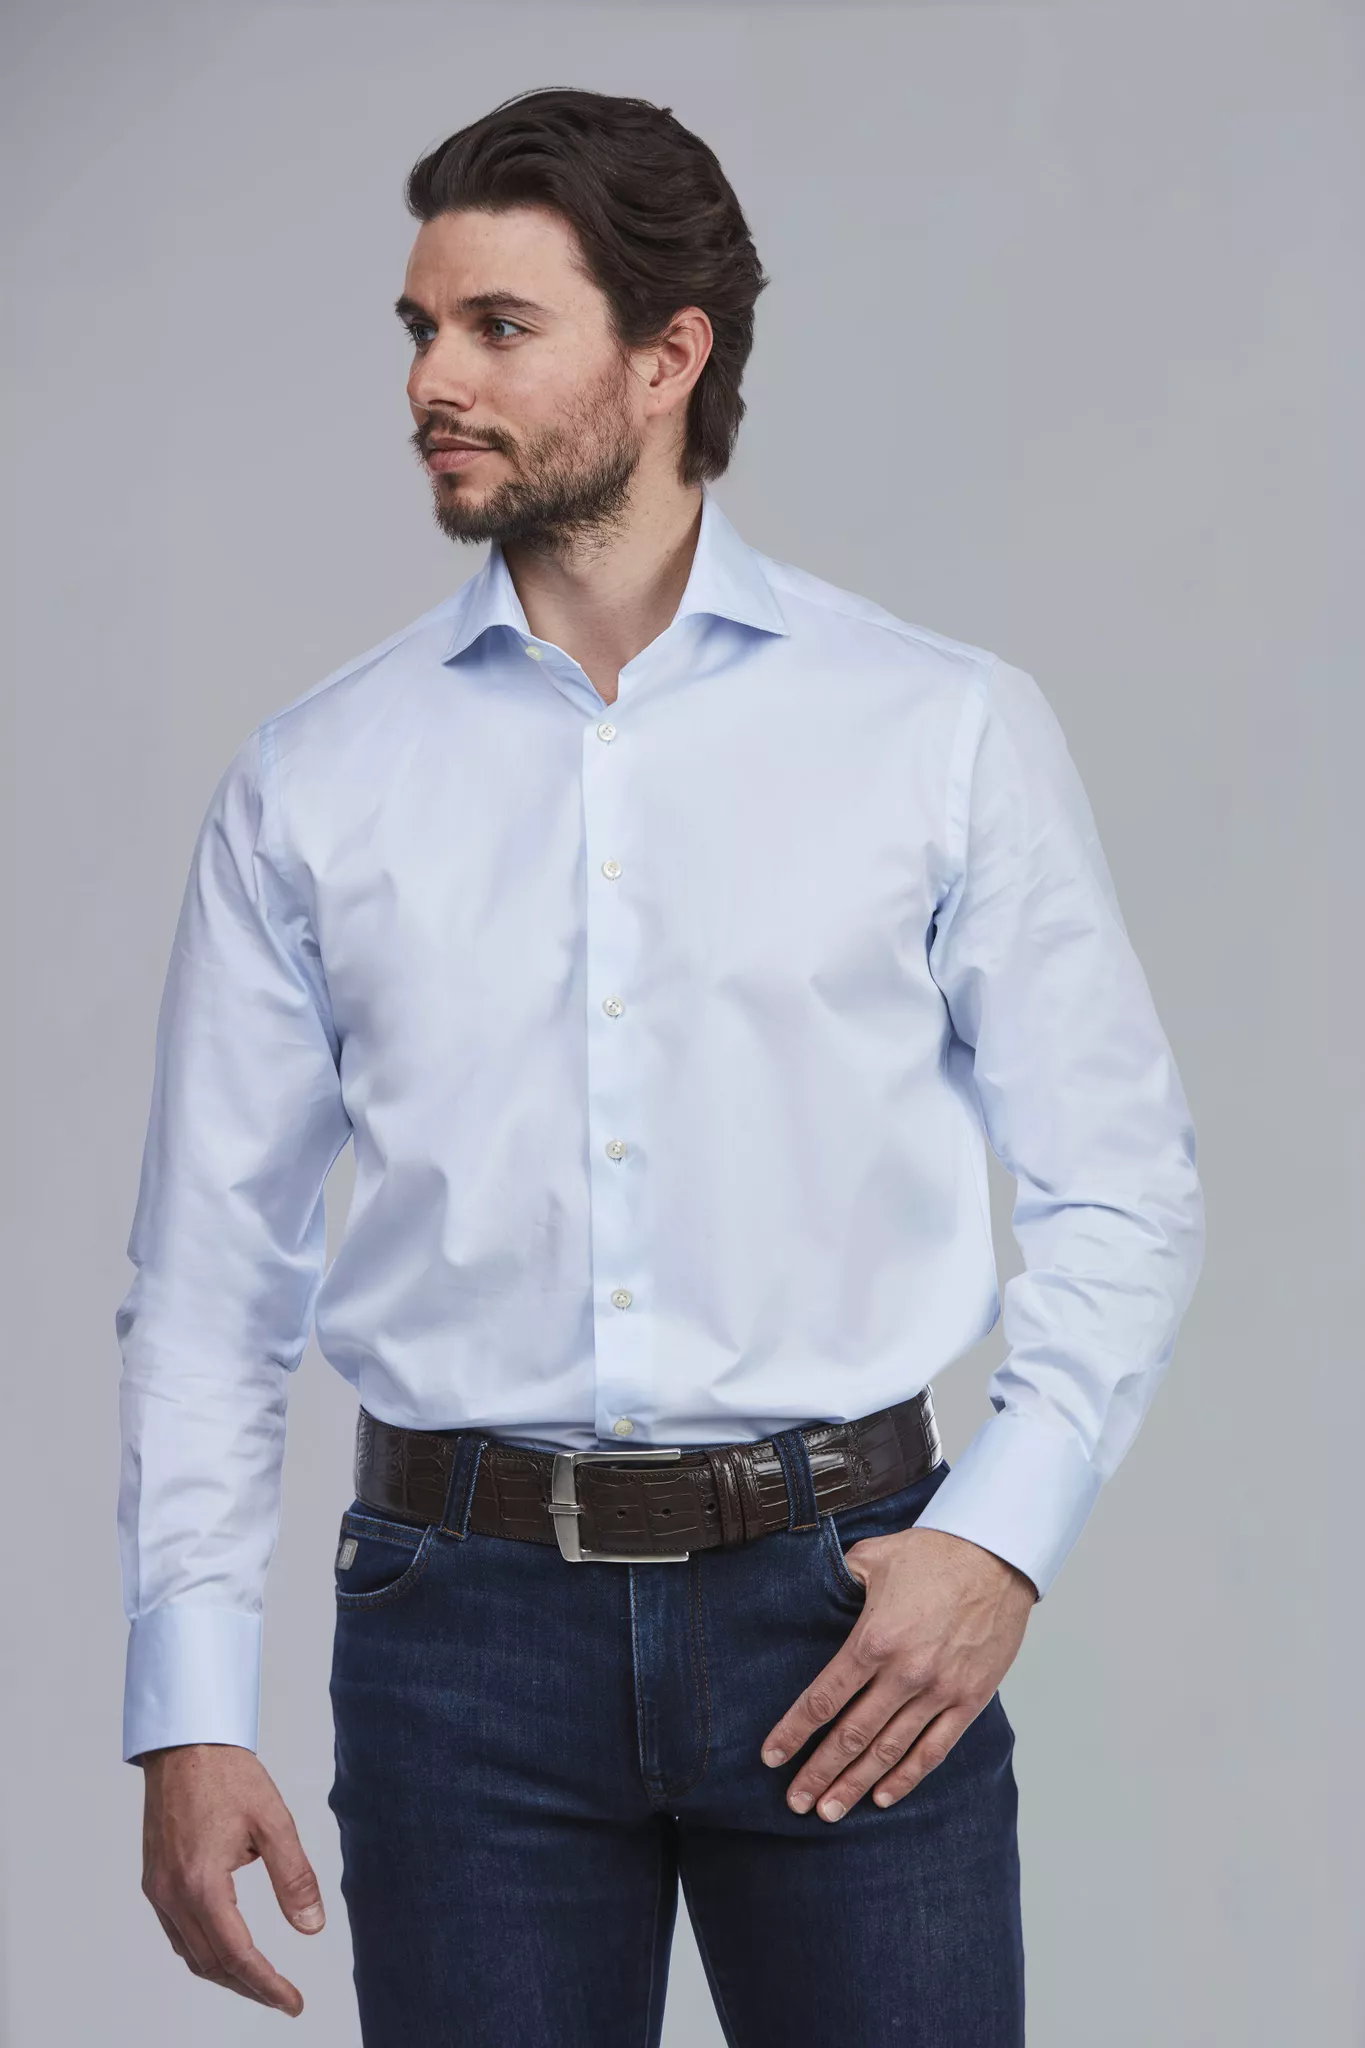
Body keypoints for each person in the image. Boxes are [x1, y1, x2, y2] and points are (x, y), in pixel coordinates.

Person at [118, 86, 1205, 2047]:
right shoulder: (314, 783)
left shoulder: (938, 731)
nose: (433, 380)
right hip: (456, 1644)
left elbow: (1124, 1180)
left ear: (667, 354)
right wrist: (185, 1705)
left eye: (497, 327)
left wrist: (996, 1541)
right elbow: (209, 1274)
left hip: (846, 1608)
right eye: (420, 329)